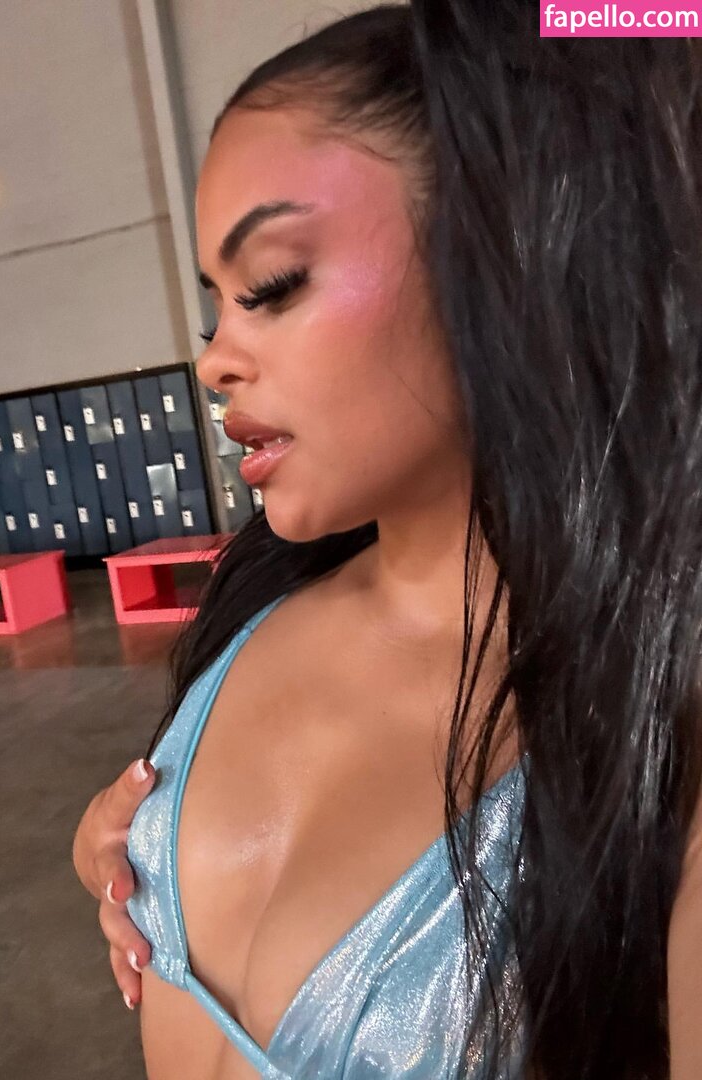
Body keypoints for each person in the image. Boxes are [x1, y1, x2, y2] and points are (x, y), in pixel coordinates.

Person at [72, 3, 702, 1077]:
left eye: (271, 287)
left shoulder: (657, 744)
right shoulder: (256, 608)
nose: (215, 360)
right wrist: (121, 849)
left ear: (514, 260)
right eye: (217, 307)